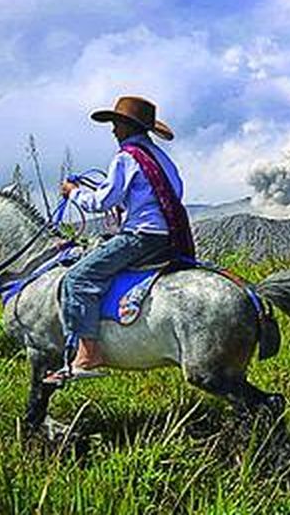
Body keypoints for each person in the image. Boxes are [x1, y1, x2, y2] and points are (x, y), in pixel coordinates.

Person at [45, 95, 192, 384]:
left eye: (116, 125)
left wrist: (73, 192)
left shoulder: (126, 157)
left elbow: (103, 201)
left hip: (140, 236)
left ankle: (88, 353)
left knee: (78, 278)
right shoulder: (160, 159)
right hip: (167, 237)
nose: (113, 131)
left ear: (127, 126)